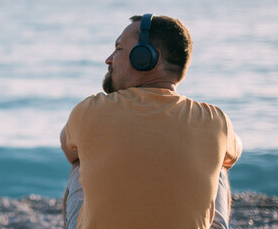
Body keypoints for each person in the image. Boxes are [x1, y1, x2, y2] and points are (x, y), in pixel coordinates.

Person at [60, 14, 242, 229]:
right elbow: (233, 156)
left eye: (118, 49)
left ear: (144, 57)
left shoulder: (89, 110)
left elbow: (70, 151)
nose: (109, 59)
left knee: (81, 159)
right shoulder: (215, 120)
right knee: (219, 163)